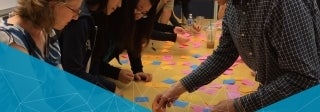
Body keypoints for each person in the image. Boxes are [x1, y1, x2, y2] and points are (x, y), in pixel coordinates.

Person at [154, 0, 320, 112]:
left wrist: (238, 105)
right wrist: (177, 89)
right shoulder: (232, 7)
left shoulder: (283, 4)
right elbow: (224, 54)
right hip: (275, 93)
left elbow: (304, 78)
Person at [88, 0, 158, 89]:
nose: (138, 16)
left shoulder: (131, 22)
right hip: (90, 79)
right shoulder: (105, 18)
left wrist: (137, 69)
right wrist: (116, 73)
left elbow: (133, 43)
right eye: (137, 8)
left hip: (99, 74)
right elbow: (92, 64)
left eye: (144, 13)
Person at [58, 0, 123, 93]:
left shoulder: (97, 16)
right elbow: (73, 71)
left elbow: (92, 66)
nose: (120, 5)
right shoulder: (80, 21)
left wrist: (111, 84)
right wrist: (110, 89)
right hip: (71, 91)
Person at [0, 0, 82, 68]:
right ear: (52, 3)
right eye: (74, 10)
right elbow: (31, 87)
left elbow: (61, 83)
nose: (76, 17)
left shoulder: (48, 32)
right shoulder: (10, 41)